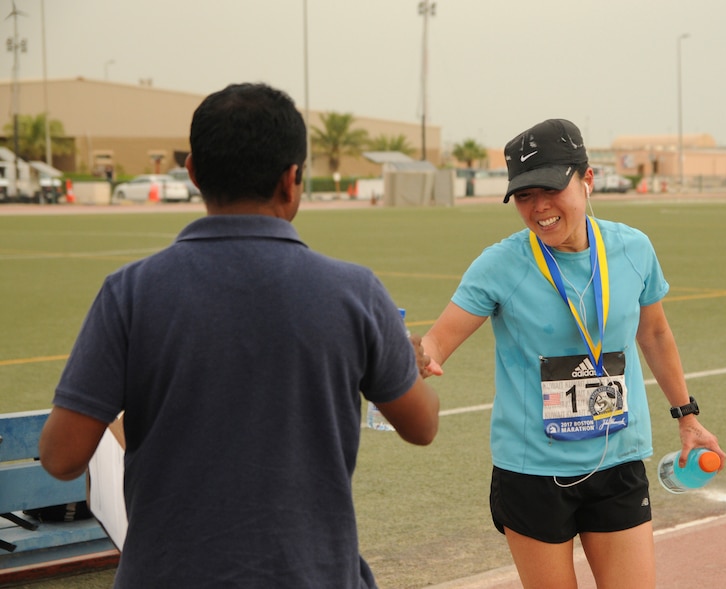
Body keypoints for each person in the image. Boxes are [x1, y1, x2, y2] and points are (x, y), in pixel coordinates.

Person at [38, 83, 440, 589]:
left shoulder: (129, 292)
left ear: (193, 173)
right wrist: (407, 360)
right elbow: (422, 425)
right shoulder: (355, 292)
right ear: (292, 180)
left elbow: (60, 457)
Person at [421, 118, 725, 589]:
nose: (539, 207)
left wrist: (687, 415)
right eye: (524, 195)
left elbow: (656, 335)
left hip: (618, 459)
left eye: (550, 188)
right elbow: (437, 341)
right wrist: (416, 354)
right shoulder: (500, 265)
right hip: (533, 470)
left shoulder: (633, 249)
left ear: (586, 180)